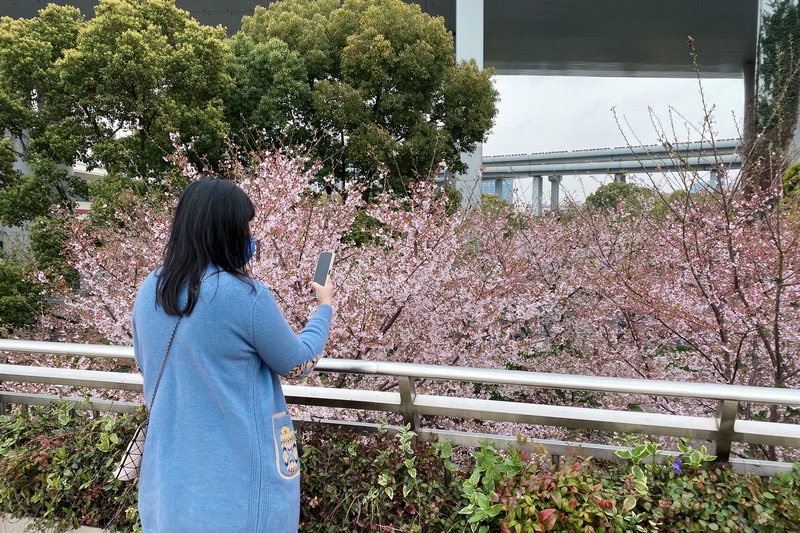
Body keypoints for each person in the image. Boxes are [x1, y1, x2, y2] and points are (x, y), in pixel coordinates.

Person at [132, 177, 333, 532]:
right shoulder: (244, 296)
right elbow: (298, 363)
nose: (249, 237)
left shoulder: (150, 289)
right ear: (225, 232)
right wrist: (324, 309)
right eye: (244, 227)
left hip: (170, 481)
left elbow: (145, 362)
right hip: (236, 485)